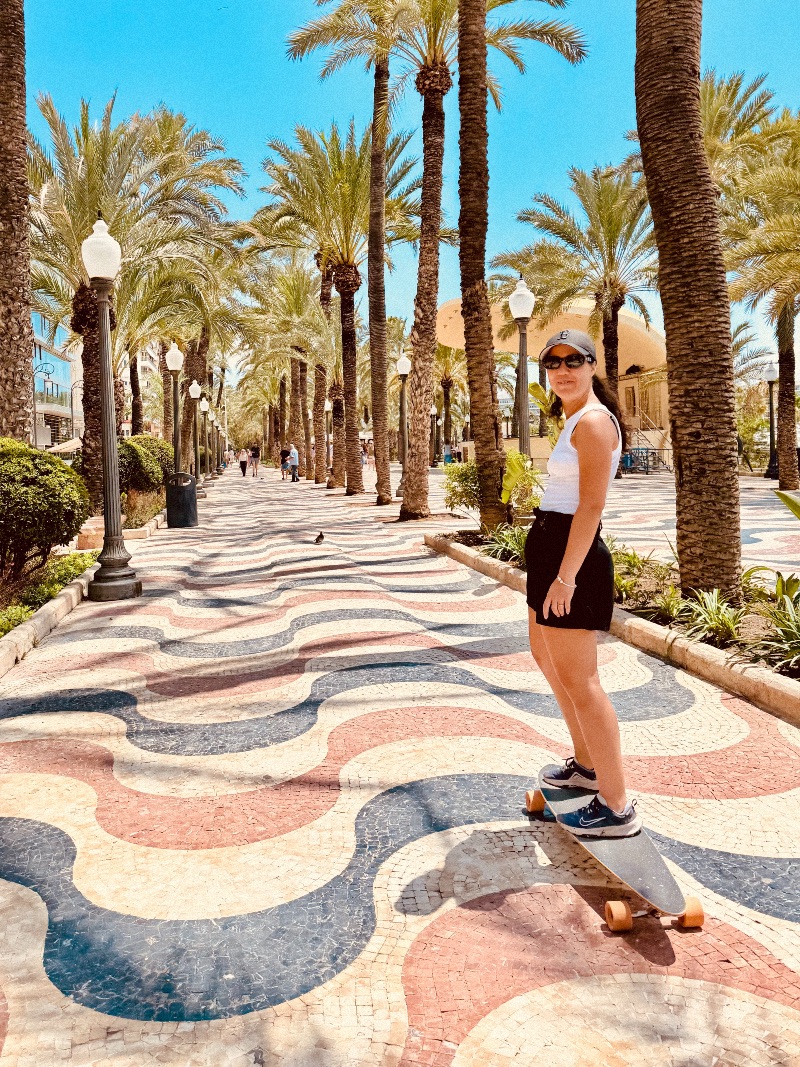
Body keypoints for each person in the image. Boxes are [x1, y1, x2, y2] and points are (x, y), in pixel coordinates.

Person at [525, 329, 640, 838]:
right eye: (553, 363)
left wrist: (566, 577)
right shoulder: (575, 420)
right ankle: (587, 768)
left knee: (582, 682)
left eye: (574, 361)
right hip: (551, 546)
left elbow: (592, 506)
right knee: (548, 659)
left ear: (593, 366)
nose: (562, 370)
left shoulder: (594, 423)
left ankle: (616, 806)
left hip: (572, 558)